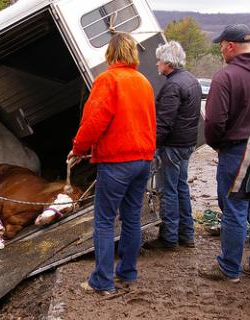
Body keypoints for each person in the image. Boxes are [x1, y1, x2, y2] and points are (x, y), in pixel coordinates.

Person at [68, 32, 156, 294]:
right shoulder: (144, 82)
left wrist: (78, 149)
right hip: (143, 159)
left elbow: (94, 121)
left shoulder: (108, 80)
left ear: (110, 53)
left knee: (104, 221)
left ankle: (102, 281)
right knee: (131, 218)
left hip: (118, 161)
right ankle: (127, 273)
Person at [202, 24, 250, 282]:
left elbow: (215, 122)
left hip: (237, 150)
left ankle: (230, 268)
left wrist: (216, 144)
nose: (220, 49)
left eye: (221, 45)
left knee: (235, 209)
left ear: (230, 46)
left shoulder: (226, 76)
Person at [143, 41, 201, 250]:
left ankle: (169, 238)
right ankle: (187, 234)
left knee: (168, 191)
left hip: (172, 147)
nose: (157, 63)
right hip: (186, 145)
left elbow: (164, 122)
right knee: (181, 188)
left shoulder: (173, 86)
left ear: (168, 62)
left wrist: (150, 145)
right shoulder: (191, 80)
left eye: (159, 60)